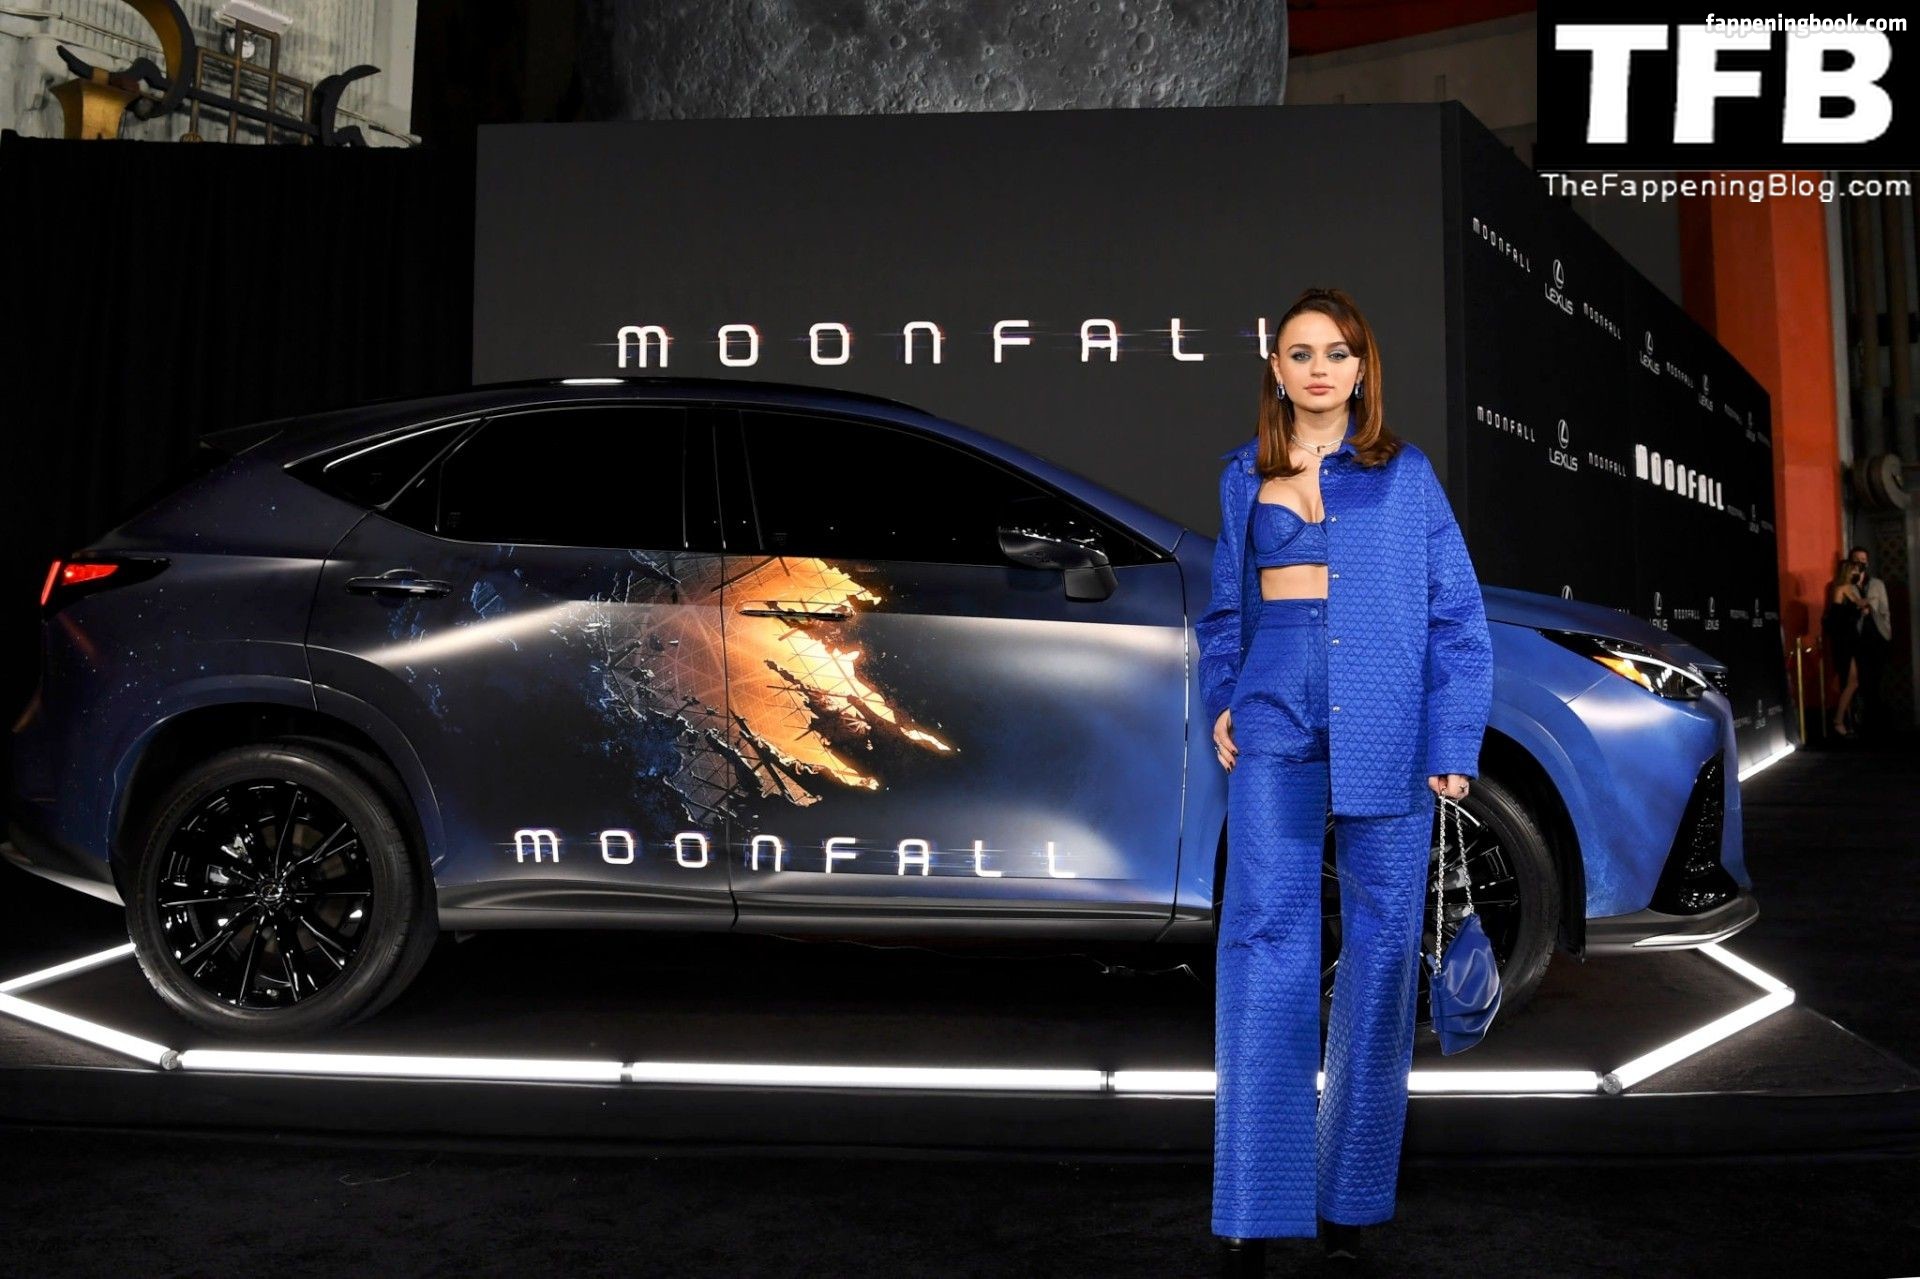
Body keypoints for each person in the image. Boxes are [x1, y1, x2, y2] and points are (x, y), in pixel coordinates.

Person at [1197, 286, 1494, 1275]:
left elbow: (1456, 615)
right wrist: (1224, 696)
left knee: (1381, 949)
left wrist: (1452, 739)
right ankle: (1255, 1202)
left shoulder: (1405, 476)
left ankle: (1350, 1197)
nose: (1318, 368)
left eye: (1336, 352)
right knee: (1261, 941)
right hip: (1274, 711)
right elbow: (1224, 612)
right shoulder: (1241, 475)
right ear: (1275, 369)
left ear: (1361, 369)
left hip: (1387, 721)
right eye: (1300, 352)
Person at [1821, 556, 1869, 737]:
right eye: (1854, 570)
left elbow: (1855, 611)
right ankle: (1839, 720)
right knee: (1850, 681)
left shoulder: (1846, 588)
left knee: (1852, 681)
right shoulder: (1842, 588)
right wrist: (1862, 604)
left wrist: (1860, 609)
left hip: (1850, 639)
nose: (1857, 572)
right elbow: (1847, 611)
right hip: (1844, 641)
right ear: (1847, 571)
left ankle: (1844, 719)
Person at [1847, 545, 1891, 736]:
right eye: (1857, 559)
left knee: (1878, 680)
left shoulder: (1877, 584)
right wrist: (1859, 611)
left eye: (1863, 560)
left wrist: (1872, 610)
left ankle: (1879, 723)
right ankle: (1865, 724)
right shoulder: (1846, 585)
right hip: (1858, 640)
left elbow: (1885, 610)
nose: (1860, 563)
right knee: (1862, 682)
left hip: (1878, 637)